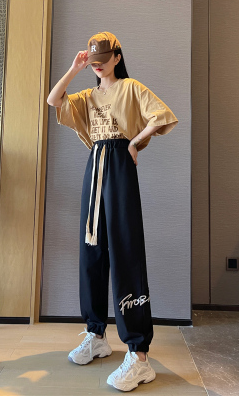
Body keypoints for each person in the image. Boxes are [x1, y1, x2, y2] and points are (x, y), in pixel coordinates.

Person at [46, 31, 178, 392]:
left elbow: (162, 116)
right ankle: (96, 334)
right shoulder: (88, 96)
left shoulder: (131, 88)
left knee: (125, 250)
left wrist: (135, 142)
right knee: (91, 249)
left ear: (117, 57)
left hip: (119, 163)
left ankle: (139, 355)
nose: (98, 65)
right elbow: (53, 99)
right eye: (94, 60)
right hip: (95, 165)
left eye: (103, 59)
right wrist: (75, 68)